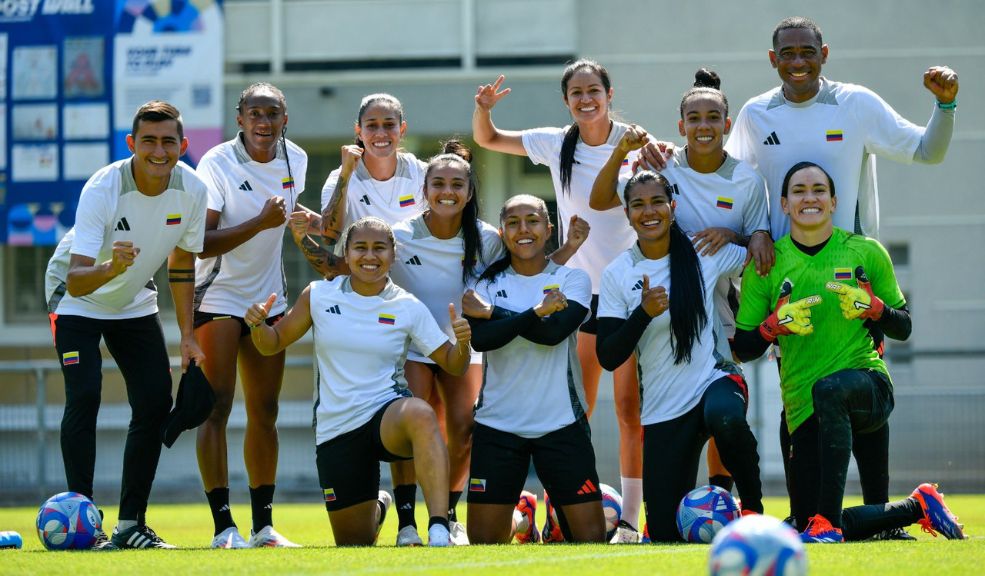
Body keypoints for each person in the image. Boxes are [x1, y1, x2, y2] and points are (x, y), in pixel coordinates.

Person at [724, 16, 959, 537]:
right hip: (787, 277)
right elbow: (734, 179)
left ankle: (876, 509)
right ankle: (855, 514)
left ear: (824, 54)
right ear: (773, 59)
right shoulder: (756, 114)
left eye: (808, 51)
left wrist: (945, 107)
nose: (799, 61)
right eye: (788, 53)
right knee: (799, 388)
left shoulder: (855, 103)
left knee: (851, 380)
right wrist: (755, 232)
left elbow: (927, 150)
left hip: (851, 281)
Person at [732, 161, 965, 542]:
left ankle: (829, 523)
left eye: (819, 190)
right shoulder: (768, 265)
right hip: (803, 406)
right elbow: (743, 348)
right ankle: (916, 506)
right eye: (800, 191)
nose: (810, 198)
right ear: (785, 204)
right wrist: (772, 326)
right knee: (804, 524)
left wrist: (877, 309)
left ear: (835, 201)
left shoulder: (866, 252)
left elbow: (903, 326)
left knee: (831, 389)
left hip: (867, 387)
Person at [472, 59, 646, 542]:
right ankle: (556, 517)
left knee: (630, 408)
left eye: (594, 90)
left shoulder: (637, 142)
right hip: (579, 293)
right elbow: (489, 140)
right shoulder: (556, 142)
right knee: (576, 410)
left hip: (630, 293)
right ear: (567, 100)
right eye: (576, 92)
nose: (586, 99)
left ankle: (631, 521)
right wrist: (483, 109)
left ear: (610, 94)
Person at [385, 141, 587, 546]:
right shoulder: (399, 236)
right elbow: (367, 273)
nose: (447, 191)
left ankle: (450, 516)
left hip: (467, 343)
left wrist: (568, 250)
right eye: (438, 183)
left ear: (469, 191)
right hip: (412, 347)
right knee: (413, 427)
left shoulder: (488, 238)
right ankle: (408, 521)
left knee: (463, 427)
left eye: (457, 184)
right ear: (424, 190)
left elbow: (527, 265)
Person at [590, 68, 772, 493]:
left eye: (713, 118)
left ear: (726, 125)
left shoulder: (746, 180)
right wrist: (625, 150)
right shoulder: (662, 163)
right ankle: (650, 501)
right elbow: (603, 200)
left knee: (722, 409)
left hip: (720, 300)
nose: (703, 127)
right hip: (662, 301)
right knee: (665, 392)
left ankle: (726, 496)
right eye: (694, 119)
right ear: (681, 126)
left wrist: (733, 234)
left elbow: (760, 245)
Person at [244, 216, 473, 547]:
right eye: (360, 248)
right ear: (346, 254)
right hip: (337, 429)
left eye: (379, 248)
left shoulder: (407, 306)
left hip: (386, 418)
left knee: (421, 413)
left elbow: (453, 365)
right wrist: (256, 326)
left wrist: (463, 343)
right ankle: (377, 509)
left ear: (393, 255)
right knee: (355, 544)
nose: (370, 256)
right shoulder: (319, 295)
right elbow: (272, 342)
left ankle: (438, 526)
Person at [44, 100, 208, 549]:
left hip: (133, 301)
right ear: (131, 144)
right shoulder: (104, 187)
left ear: (183, 145)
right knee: (85, 395)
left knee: (155, 402)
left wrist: (188, 337)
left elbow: (180, 264)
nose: (159, 150)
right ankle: (85, 521)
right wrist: (111, 269)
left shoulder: (193, 189)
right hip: (77, 296)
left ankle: (130, 525)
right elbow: (76, 281)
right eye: (149, 141)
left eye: (168, 141)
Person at [596, 171, 765, 543]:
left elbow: (765, 262)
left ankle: (753, 511)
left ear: (672, 207)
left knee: (726, 415)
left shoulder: (704, 252)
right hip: (663, 409)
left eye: (657, 201)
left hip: (714, 381)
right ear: (627, 213)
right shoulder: (618, 273)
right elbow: (608, 355)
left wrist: (741, 236)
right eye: (638, 205)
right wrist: (642, 314)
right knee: (663, 534)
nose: (649, 211)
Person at [192, 82, 322, 548]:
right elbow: (201, 243)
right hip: (217, 296)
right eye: (254, 114)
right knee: (216, 407)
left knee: (265, 411)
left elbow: (286, 215)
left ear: (285, 119)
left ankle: (263, 525)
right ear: (240, 119)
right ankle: (223, 526)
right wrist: (260, 224)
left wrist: (311, 223)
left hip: (269, 298)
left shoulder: (297, 159)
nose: (264, 122)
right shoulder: (216, 163)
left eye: (273, 113)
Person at [461, 194, 605, 544]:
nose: (523, 229)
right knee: (483, 545)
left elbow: (553, 334)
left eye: (533, 220)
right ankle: (521, 518)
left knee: (590, 541)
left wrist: (495, 313)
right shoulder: (484, 285)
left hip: (560, 423)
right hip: (497, 424)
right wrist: (535, 312)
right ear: (502, 232)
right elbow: (483, 342)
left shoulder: (573, 280)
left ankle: (555, 518)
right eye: (513, 222)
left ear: (548, 229)